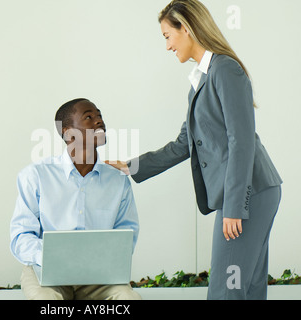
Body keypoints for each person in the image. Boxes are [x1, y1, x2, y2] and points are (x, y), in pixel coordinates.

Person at [106, 0, 282, 300]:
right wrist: (131, 166)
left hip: (248, 192)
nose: (167, 46)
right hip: (248, 191)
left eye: (167, 36)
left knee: (228, 288)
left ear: (185, 28)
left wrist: (235, 206)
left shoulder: (225, 69)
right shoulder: (200, 81)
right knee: (247, 287)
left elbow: (242, 140)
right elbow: (182, 145)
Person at [10, 98, 141, 300]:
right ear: (68, 132)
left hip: (99, 276)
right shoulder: (35, 176)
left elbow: (127, 233)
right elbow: (21, 236)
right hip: (45, 272)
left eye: (99, 116)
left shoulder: (118, 180)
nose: (99, 121)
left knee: (128, 299)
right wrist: (52, 258)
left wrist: (104, 260)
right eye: (89, 117)